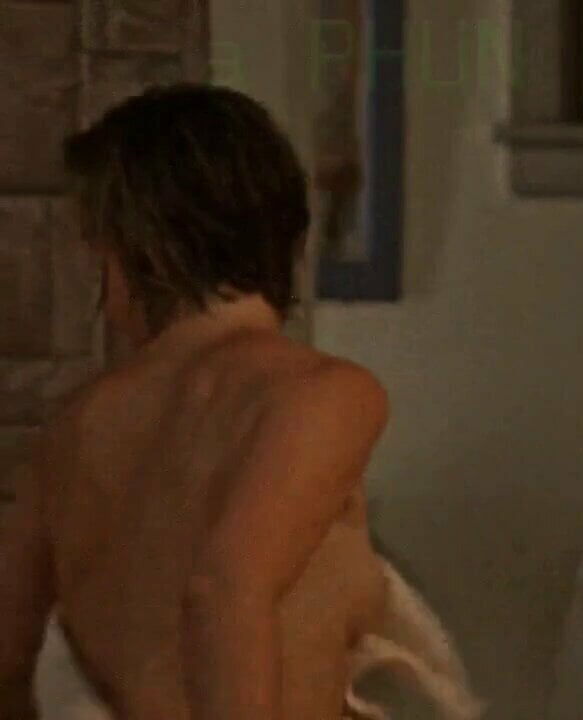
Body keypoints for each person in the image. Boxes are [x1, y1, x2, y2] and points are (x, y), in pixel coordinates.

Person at [0, 85, 478, 720]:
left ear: (133, 256)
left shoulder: (74, 429)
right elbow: (225, 588)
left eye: (98, 251)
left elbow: (8, 653)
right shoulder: (320, 394)